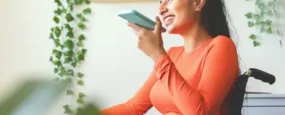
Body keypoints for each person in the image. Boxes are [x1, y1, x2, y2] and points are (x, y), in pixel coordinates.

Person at [101, 0, 239, 114]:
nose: (161, 9)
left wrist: (157, 54)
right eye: (160, 2)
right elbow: (132, 108)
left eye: (169, 0)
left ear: (198, 3)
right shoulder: (172, 55)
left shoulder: (221, 45)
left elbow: (200, 112)